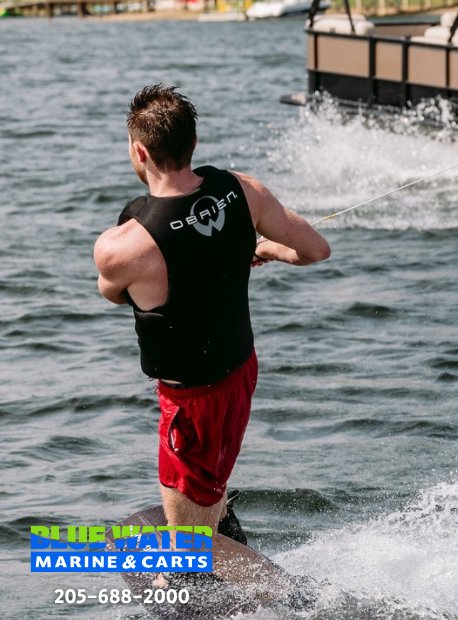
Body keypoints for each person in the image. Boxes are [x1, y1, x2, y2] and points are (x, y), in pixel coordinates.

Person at [94, 84, 330, 548]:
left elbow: (116, 296)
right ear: (193, 143)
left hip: (190, 401)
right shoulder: (243, 190)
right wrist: (262, 248)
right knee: (210, 474)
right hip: (241, 370)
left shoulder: (123, 246)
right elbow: (315, 250)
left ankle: (206, 571)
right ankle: (215, 516)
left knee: (185, 514)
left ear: (139, 151)